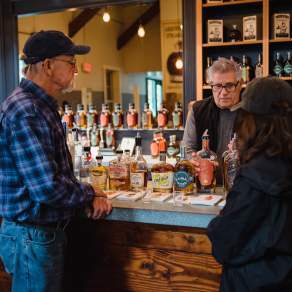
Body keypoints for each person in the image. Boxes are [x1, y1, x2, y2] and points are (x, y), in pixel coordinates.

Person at [0, 30, 112, 292]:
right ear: (48, 65)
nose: (76, 70)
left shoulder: (40, 106)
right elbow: (46, 186)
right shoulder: (27, 110)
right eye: (71, 63)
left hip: (37, 235)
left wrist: (84, 196)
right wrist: (90, 192)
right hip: (32, 236)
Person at [207, 77, 292, 291]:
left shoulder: (254, 177)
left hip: (251, 283)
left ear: (252, 122)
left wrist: (216, 223)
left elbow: (224, 244)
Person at [183, 57, 242, 184]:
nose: (223, 92)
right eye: (218, 86)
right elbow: (187, 149)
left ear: (239, 84)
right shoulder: (197, 110)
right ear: (211, 85)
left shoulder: (252, 111)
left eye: (229, 85)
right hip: (207, 187)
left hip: (242, 188)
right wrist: (193, 161)